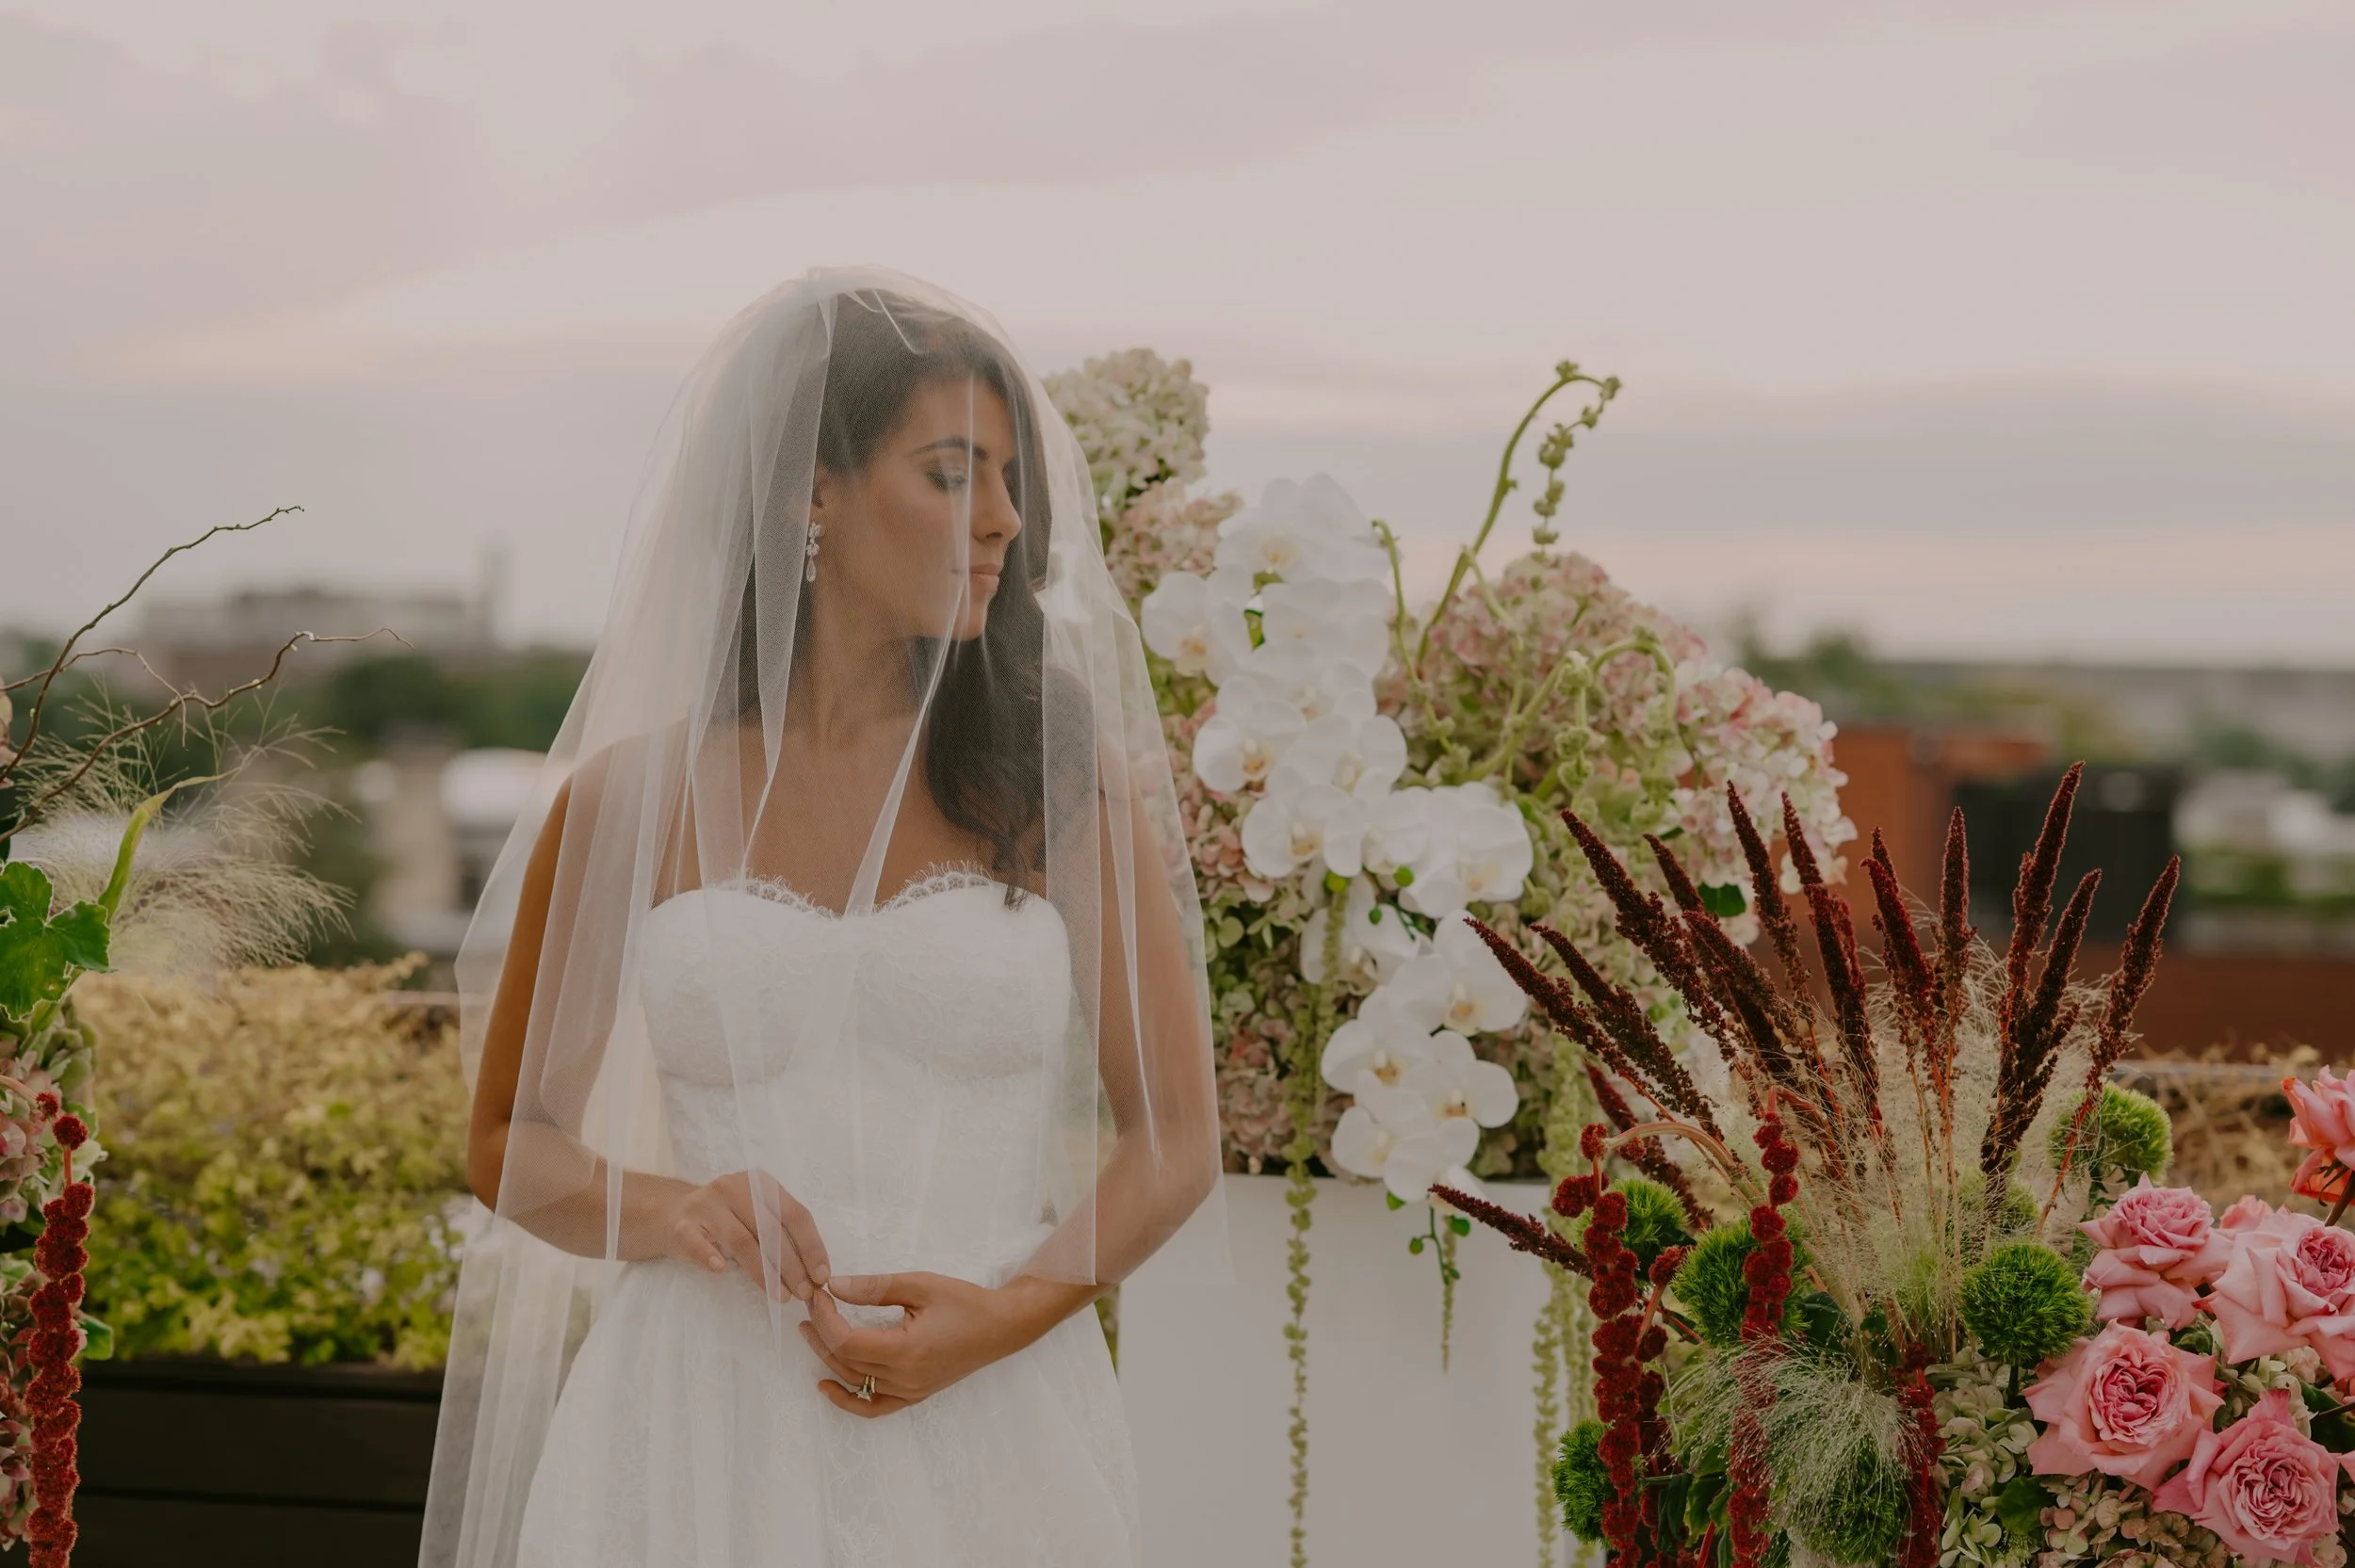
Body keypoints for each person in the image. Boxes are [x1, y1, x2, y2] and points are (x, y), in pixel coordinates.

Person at [419, 268, 1227, 1567]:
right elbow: (512, 1144)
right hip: (693, 1424)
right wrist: (673, 1207)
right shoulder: (630, 799)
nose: (1005, 524)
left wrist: (1007, 1314)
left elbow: (1180, 1138)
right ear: (813, 492)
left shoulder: (1052, 784)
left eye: (1012, 482)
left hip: (994, 1405)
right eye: (955, 473)